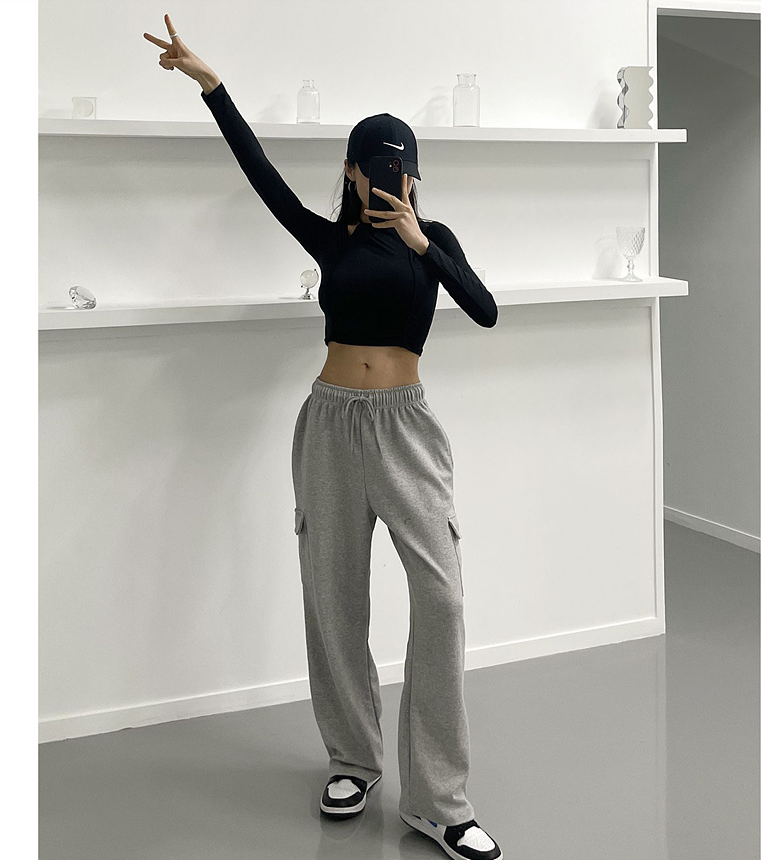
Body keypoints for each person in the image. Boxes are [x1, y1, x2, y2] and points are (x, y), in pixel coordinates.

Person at [144, 14, 502, 860]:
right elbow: (260, 176)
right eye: (377, 167)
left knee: (442, 600)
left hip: (406, 427)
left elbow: (484, 310)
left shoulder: (434, 241)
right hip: (330, 424)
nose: (392, 180)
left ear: (415, 174)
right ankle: (352, 760)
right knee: (334, 598)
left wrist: (422, 244)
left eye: (404, 169)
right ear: (351, 170)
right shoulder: (328, 238)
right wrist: (212, 85)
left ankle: (439, 800)